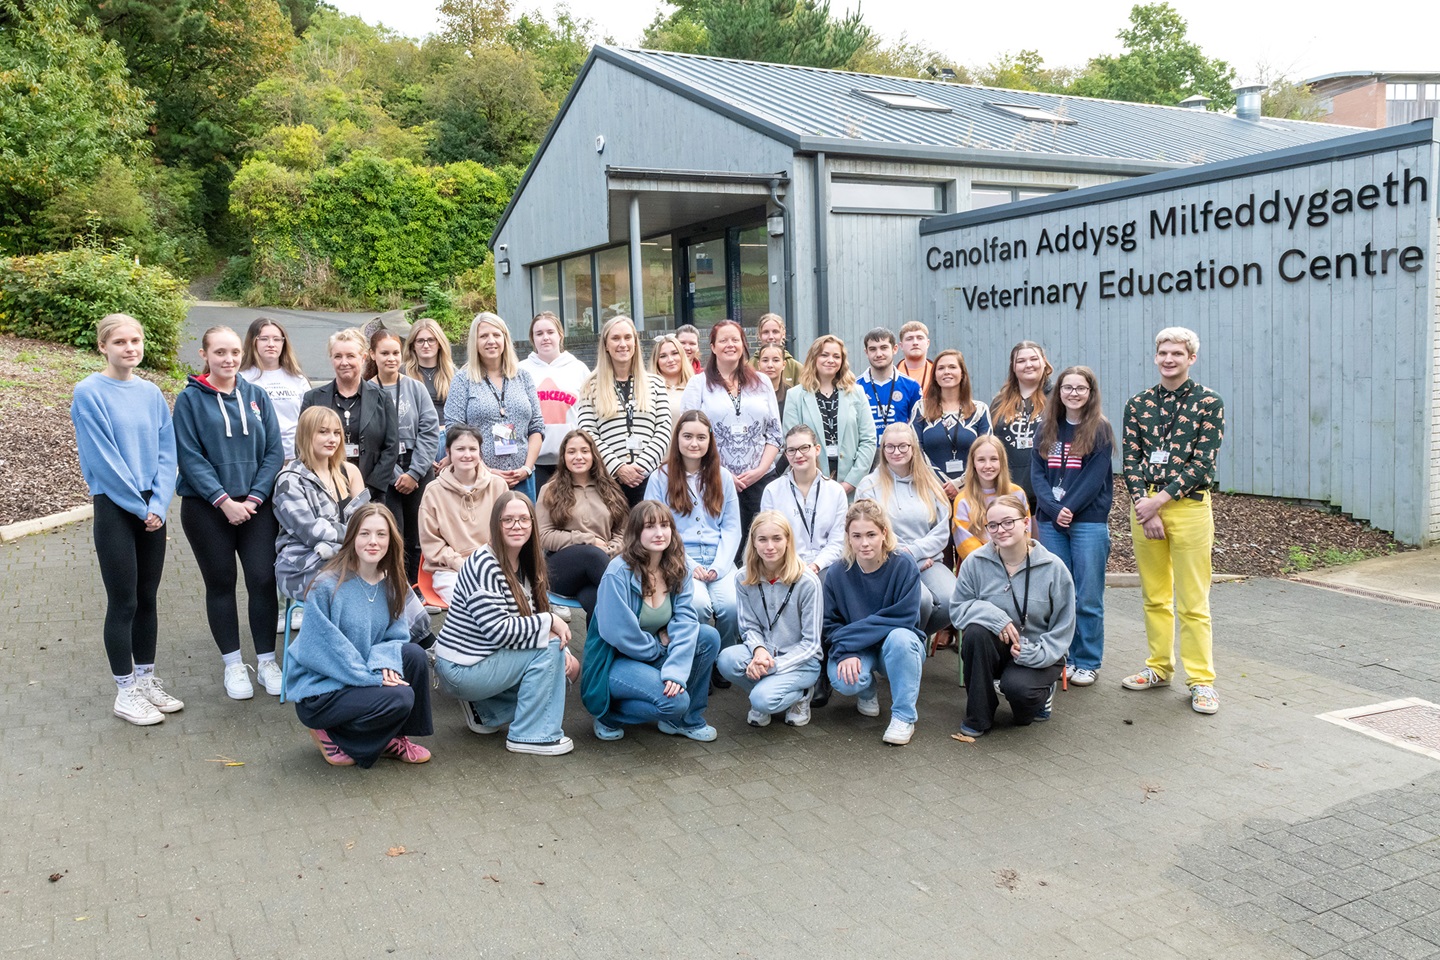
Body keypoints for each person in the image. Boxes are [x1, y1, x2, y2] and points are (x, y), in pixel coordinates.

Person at [71, 313, 181, 725]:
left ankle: (146, 679)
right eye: (120, 342)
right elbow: (103, 459)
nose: (130, 348)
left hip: (152, 508)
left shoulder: (151, 392)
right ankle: (125, 691)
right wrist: (141, 507)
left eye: (136, 340)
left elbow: (167, 450)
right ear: (103, 346)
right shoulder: (89, 393)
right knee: (124, 601)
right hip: (117, 509)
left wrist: (159, 503)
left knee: (148, 598)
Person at [174, 326, 284, 699]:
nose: (229, 359)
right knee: (220, 584)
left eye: (235, 352)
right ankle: (234, 665)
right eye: (220, 352)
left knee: (262, 581)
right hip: (207, 509)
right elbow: (189, 457)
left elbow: (273, 452)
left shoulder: (257, 396)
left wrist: (253, 499)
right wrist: (223, 500)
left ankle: (268, 661)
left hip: (256, 508)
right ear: (204, 355)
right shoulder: (189, 400)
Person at [1121, 327, 1225, 715]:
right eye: (1163, 352)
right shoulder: (1138, 403)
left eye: (1177, 354)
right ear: (1155, 356)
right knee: (1154, 596)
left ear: (1191, 358)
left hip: (1188, 507)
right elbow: (1130, 458)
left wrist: (1159, 502)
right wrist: (1142, 503)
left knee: (1193, 600)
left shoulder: (1209, 402)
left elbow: (1203, 463)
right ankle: (1159, 668)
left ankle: (1201, 681)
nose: (1168, 359)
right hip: (1144, 504)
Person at [284, 505, 434, 767]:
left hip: (359, 675)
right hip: (322, 689)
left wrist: (385, 660)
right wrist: (373, 676)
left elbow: (396, 636)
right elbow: (325, 650)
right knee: (400, 697)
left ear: (391, 540)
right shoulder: (327, 585)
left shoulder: (391, 582)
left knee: (414, 656)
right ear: (352, 537)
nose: (373, 541)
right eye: (364, 534)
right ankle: (329, 732)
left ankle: (393, 737)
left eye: (381, 534)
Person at [432, 492, 579, 756]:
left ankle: (485, 710)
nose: (516, 525)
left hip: (481, 660)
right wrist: (550, 622)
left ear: (533, 524)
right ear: (495, 525)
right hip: (460, 668)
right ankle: (530, 736)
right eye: (507, 520)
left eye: (523, 519)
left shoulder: (526, 561)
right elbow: (499, 631)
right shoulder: (484, 564)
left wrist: (565, 652)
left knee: (557, 664)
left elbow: (531, 616)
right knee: (548, 653)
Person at [580, 500, 721, 742]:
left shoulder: (679, 567)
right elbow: (618, 633)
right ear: (636, 533)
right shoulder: (617, 572)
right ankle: (609, 715)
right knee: (676, 702)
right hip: (614, 660)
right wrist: (659, 646)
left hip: (653, 653)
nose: (659, 533)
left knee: (707, 637)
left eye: (665, 525)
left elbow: (686, 619)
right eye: (649, 526)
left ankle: (685, 722)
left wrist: (676, 670)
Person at [951, 494, 1073, 737]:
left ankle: (1040, 693)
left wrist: (1035, 653)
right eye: (993, 525)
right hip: (997, 646)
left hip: (1040, 648)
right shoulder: (975, 562)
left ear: (1026, 522)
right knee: (975, 632)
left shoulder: (1053, 567)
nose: (1000, 530)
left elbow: (1063, 627)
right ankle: (978, 716)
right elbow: (958, 609)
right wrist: (996, 617)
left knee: (1020, 701)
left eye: (1009, 522)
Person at [1031, 366, 1114, 688]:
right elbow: (1037, 474)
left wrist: (1069, 508)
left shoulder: (1101, 430)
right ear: (1059, 392)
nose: (1074, 393)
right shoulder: (1046, 428)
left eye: (1081, 388)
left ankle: (1088, 660)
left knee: (1088, 595)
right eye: (1068, 388)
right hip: (1051, 523)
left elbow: (1095, 478)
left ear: (1091, 393)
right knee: (1058, 594)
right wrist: (1052, 509)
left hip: (1088, 523)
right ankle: (1059, 656)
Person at [822, 499, 926, 745]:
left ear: (884, 533)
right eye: (856, 536)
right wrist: (847, 650)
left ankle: (903, 716)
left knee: (901, 637)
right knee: (843, 679)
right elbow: (830, 626)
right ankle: (866, 690)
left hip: (896, 647)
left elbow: (904, 618)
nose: (864, 543)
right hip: (860, 648)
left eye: (871, 534)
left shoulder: (903, 564)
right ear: (848, 537)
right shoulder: (837, 573)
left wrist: (847, 639)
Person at [644, 411, 741, 653]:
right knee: (698, 606)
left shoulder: (723, 477)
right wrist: (688, 563)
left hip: (720, 557)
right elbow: (655, 527)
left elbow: (731, 527)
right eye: (687, 436)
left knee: (731, 606)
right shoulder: (660, 477)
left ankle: (723, 657)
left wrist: (719, 566)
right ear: (677, 438)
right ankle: (698, 657)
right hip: (679, 556)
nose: (694, 443)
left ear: (710, 441)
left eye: (700, 437)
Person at [680, 319, 781, 545]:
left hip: (760, 480)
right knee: (725, 543)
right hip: (714, 480)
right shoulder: (698, 384)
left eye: (735, 340)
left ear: (744, 345)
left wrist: (760, 470)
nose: (730, 345)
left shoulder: (762, 381)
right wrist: (721, 473)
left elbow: (775, 434)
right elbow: (687, 436)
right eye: (723, 340)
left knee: (762, 543)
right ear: (713, 347)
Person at [717, 512, 823, 727]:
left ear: (788, 541)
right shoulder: (743, 578)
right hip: (765, 654)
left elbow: (811, 643)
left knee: (762, 700)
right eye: (762, 539)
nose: (770, 546)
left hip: (801, 661)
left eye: (777, 538)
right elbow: (749, 626)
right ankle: (767, 690)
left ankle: (801, 694)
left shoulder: (807, 582)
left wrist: (770, 666)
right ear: (753, 542)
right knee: (726, 659)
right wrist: (759, 651)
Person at [856, 422, 956, 643]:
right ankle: (905, 650)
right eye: (890, 447)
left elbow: (941, 531)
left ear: (913, 448)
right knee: (922, 601)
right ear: (882, 450)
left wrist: (915, 551)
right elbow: (868, 532)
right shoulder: (869, 486)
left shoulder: (930, 483)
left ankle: (909, 642)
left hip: (929, 560)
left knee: (952, 600)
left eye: (903, 446)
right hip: (890, 562)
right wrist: (906, 555)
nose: (896, 452)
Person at [273, 407, 370, 604]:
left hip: (346, 555)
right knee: (358, 583)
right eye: (323, 432)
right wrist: (360, 537)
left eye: (336, 433)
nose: (332, 439)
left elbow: (366, 520)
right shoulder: (289, 479)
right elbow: (311, 531)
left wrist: (367, 538)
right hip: (301, 565)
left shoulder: (348, 471)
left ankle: (417, 634)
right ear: (306, 435)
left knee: (391, 574)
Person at [367, 328, 440, 588]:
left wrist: (415, 472)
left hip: (418, 468)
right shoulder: (367, 392)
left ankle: (417, 586)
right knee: (393, 532)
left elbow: (429, 430)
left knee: (419, 533)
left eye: (395, 353)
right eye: (384, 353)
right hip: (385, 472)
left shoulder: (415, 388)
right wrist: (397, 474)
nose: (391, 358)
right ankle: (397, 588)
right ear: (372, 355)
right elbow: (370, 441)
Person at [445, 312, 544, 501]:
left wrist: (526, 468)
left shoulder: (523, 377)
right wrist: (485, 470)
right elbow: (453, 431)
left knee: (521, 529)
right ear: (475, 342)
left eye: (496, 335)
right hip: (479, 480)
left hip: (522, 479)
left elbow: (537, 427)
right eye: (483, 336)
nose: (491, 341)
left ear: (505, 339)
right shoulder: (462, 380)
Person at [576, 315, 671, 509]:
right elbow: (588, 433)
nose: (623, 344)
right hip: (609, 480)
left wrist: (641, 466)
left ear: (635, 343)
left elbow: (664, 428)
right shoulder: (590, 387)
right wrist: (618, 467)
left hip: (648, 478)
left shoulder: (656, 384)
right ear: (606, 345)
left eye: (628, 338)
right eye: (616, 338)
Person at [537, 430, 629, 617]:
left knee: (596, 600)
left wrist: (611, 548)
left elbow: (622, 531)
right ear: (563, 457)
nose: (578, 457)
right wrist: (589, 541)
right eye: (571, 452)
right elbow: (543, 535)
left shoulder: (610, 488)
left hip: (602, 565)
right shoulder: (550, 490)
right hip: (561, 570)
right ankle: (635, 609)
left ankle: (597, 647)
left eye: (584, 451)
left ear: (593, 455)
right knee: (592, 555)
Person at [301, 329, 398, 503]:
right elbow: (302, 444)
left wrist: (367, 490)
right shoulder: (313, 398)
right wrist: (324, 483)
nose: (344, 362)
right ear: (331, 359)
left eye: (350, 356)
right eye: (338, 356)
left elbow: (391, 447)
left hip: (372, 492)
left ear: (363, 358)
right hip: (324, 493)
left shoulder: (382, 398)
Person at [419, 425, 510, 605]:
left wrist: (488, 564)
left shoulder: (499, 486)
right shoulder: (433, 491)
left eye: (472, 449)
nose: (467, 454)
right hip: (450, 569)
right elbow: (431, 543)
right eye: (460, 449)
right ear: (448, 452)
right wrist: (460, 564)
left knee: (509, 601)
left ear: (480, 452)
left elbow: (507, 531)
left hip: (492, 565)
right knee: (475, 604)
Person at [783, 334, 877, 496]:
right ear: (814, 358)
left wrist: (850, 483)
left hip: (852, 488)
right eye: (824, 355)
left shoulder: (857, 393)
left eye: (836, 356)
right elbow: (792, 442)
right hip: (809, 485)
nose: (830, 360)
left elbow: (868, 440)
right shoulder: (795, 396)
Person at [759, 425, 848, 576]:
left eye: (804, 448)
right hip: (785, 567)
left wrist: (816, 565)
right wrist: (793, 566)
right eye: (792, 450)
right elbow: (770, 538)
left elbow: (838, 541)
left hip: (827, 567)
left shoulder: (835, 491)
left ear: (817, 449)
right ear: (786, 455)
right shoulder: (772, 491)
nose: (798, 455)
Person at [518, 311, 589, 490]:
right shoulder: (520, 370)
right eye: (539, 334)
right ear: (532, 339)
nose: (545, 338)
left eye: (550, 332)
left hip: (571, 460)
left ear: (560, 335)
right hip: (533, 462)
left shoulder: (579, 369)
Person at [911, 349, 991, 499]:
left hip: (971, 493)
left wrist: (960, 484)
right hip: (931, 492)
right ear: (934, 375)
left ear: (962, 374)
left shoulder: (980, 410)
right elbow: (916, 450)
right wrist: (941, 484)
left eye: (952, 367)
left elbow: (987, 452)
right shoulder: (921, 408)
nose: (946, 372)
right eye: (941, 368)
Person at [990, 341, 1054, 505]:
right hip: (1007, 493)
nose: (1028, 365)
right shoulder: (999, 402)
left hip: (1047, 493)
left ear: (1044, 361)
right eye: (1021, 361)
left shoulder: (1058, 398)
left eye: (1034, 359)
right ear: (1013, 367)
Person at [239, 317, 309, 460]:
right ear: (253, 341)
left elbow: (309, 418)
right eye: (264, 339)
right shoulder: (241, 378)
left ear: (284, 343)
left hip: (295, 457)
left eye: (277, 339)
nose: (271, 344)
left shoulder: (298, 378)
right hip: (258, 457)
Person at [953, 435, 1028, 561]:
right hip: (980, 564)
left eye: (994, 459)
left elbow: (1025, 532)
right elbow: (965, 543)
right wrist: (993, 562)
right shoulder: (963, 500)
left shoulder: (1017, 493)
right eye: (981, 460)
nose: (988, 465)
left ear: (1002, 462)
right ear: (973, 464)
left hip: (1016, 560)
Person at [856, 326, 923, 442]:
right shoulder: (854, 387)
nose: (878, 354)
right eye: (872, 349)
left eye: (884, 348)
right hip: (866, 455)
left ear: (895, 349)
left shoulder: (911, 386)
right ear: (866, 352)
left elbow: (919, 428)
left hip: (900, 454)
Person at [403, 318, 455, 463]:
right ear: (413, 345)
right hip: (418, 439)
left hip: (449, 439)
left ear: (439, 343)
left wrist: (452, 455)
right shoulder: (402, 374)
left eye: (431, 340)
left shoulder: (453, 373)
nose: (426, 345)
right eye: (420, 341)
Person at [751, 313, 801, 386]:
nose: (771, 337)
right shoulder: (748, 367)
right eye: (766, 332)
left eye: (775, 332)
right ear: (759, 335)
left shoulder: (796, 368)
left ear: (783, 334)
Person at [649, 332, 693, 413]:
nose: (670, 360)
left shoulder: (696, 386)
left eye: (675, 353)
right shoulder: (649, 390)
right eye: (663, 356)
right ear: (656, 361)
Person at [755, 342, 790, 422]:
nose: (770, 365)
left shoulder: (791, 395)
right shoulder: (750, 394)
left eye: (776, 360)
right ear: (758, 364)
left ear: (784, 365)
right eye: (765, 360)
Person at [896, 321, 934, 391]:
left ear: (928, 343)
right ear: (901, 346)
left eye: (920, 338)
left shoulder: (937, 373)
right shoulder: (893, 375)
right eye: (909, 339)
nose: (915, 343)